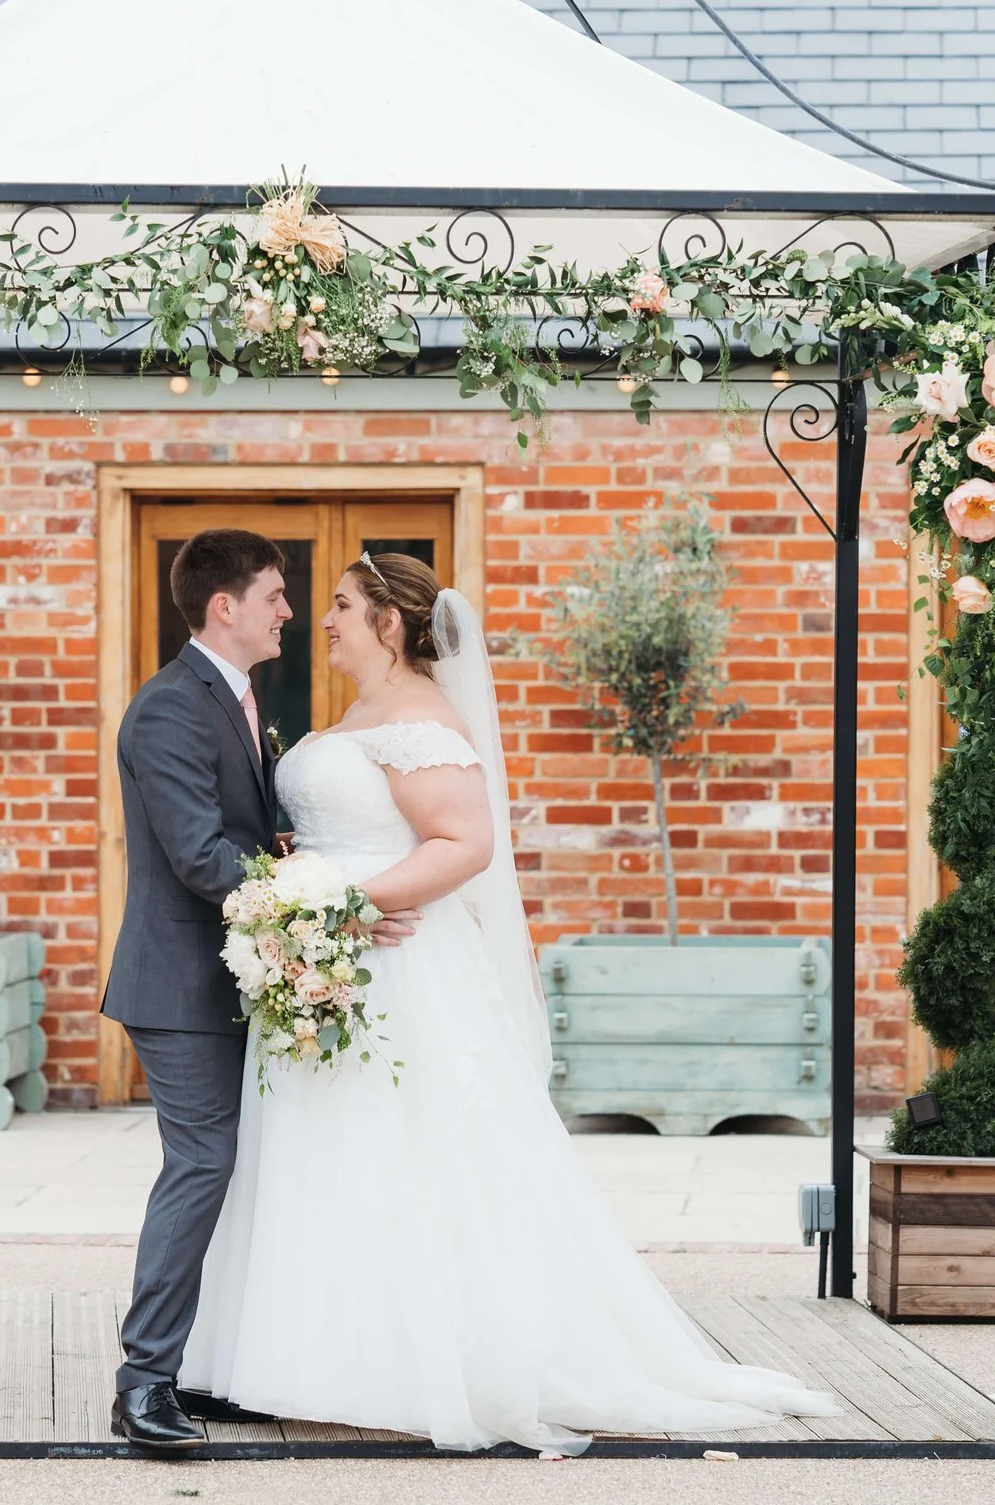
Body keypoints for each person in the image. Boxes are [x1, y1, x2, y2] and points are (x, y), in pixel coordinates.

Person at [176, 550, 838, 1454]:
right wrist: (306, 881)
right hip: (335, 962)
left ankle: (431, 1361)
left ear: (390, 624)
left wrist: (343, 910)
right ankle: (324, 1356)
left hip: (391, 966)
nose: (320, 619)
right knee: (331, 1158)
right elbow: (367, 825)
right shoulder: (364, 714)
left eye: (338, 605)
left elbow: (465, 842)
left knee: (406, 1159)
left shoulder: (421, 718)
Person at [103, 529, 421, 1450]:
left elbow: (239, 834)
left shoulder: (237, 697)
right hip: (179, 987)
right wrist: (328, 909)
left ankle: (205, 1369)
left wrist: (296, 862)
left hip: (242, 977)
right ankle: (144, 1383)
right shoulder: (168, 709)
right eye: (278, 595)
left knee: (242, 1174)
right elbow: (201, 856)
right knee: (201, 1168)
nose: (293, 611)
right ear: (225, 607)